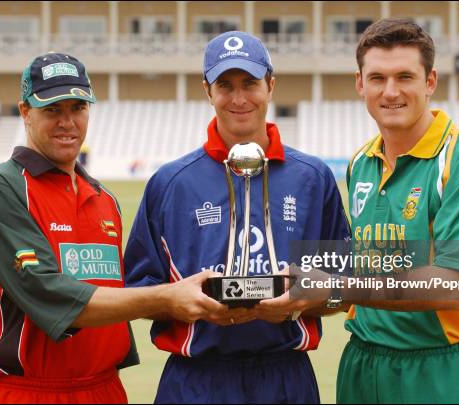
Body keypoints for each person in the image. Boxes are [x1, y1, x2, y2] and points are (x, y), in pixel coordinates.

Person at [0, 52, 225, 404]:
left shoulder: (104, 199)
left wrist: (225, 296)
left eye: (77, 108)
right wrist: (168, 296)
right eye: (52, 110)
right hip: (27, 392)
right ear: (25, 112)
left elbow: (123, 294)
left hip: (104, 389)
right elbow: (51, 296)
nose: (67, 122)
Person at [123, 31, 351, 404]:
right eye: (225, 85)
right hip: (195, 380)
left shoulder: (312, 177)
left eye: (250, 83)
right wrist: (175, 300)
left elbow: (345, 286)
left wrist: (301, 297)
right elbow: (136, 289)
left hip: (286, 378)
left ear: (271, 85)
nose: (239, 98)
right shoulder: (170, 182)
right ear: (207, 91)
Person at [335, 18, 459, 403]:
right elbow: (356, 268)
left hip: (442, 369)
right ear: (360, 83)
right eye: (377, 78)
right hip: (362, 362)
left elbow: (453, 287)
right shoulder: (360, 162)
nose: (390, 91)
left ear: (430, 82)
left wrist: (331, 286)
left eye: (405, 77)